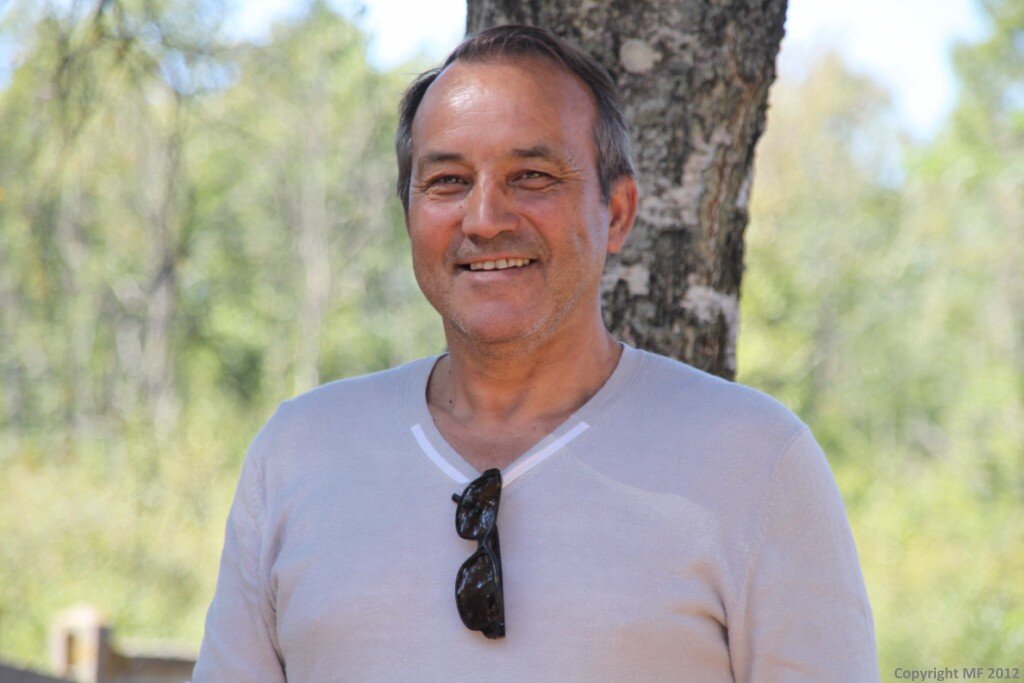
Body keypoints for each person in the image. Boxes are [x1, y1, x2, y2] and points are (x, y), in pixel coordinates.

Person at [193, 25, 878, 682]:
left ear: (617, 213)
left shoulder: (756, 463)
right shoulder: (297, 454)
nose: (485, 219)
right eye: (448, 181)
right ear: (409, 213)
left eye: (531, 176)